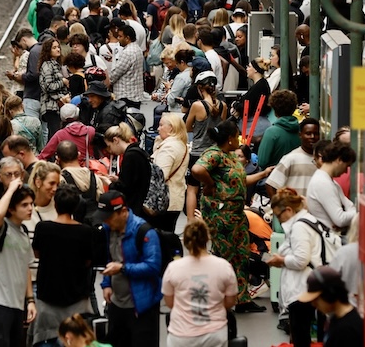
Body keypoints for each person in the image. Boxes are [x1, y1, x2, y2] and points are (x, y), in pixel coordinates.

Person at [190, 120, 272, 314]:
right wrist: (210, 184)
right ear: (229, 139)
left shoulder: (230, 157)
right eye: (236, 136)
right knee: (223, 256)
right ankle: (217, 299)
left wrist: (263, 174)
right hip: (221, 216)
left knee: (241, 256)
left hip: (236, 216)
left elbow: (242, 180)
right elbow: (197, 170)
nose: (239, 139)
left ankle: (242, 299)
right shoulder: (214, 154)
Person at [32, 185, 105, 347]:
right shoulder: (86, 232)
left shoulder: (43, 228)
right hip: (76, 297)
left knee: (47, 340)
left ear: (55, 204)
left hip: (47, 296)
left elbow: (37, 253)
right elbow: (88, 261)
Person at [97, 190, 163, 347]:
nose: (106, 222)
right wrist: (106, 284)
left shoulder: (145, 232)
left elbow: (153, 266)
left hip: (141, 307)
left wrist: (122, 268)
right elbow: (110, 258)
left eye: (109, 218)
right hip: (117, 306)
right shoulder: (108, 230)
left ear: (123, 212)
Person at [161, 217, 237, 347]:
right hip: (214, 335)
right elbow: (230, 302)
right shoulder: (223, 266)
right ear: (207, 239)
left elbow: (170, 302)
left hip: (181, 336)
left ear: (185, 241)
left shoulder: (173, 268)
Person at [266, 188, 327, 347]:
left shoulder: (299, 227)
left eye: (279, 215)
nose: (279, 220)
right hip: (306, 289)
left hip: (302, 291)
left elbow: (301, 259)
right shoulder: (308, 221)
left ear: (289, 210)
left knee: (301, 337)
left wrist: (281, 260)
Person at [0, 179, 37, 347]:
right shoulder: (0, 227)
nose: (30, 209)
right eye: (24, 205)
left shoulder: (24, 232)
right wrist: (11, 189)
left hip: (17, 303)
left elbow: (25, 266)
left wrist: (30, 300)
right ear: (12, 209)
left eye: (31, 204)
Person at [183, 71, 227, 218]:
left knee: (192, 189)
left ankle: (191, 222)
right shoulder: (223, 106)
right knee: (213, 187)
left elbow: (187, 127)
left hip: (198, 153)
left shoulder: (197, 106)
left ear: (200, 88)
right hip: (215, 154)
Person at [297, 267, 363, 347]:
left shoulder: (346, 330)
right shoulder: (337, 319)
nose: (313, 304)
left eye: (316, 299)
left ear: (330, 294)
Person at [306, 140, 357, 234]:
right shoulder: (323, 183)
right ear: (339, 160)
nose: (346, 171)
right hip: (329, 240)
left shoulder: (328, 181)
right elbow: (340, 219)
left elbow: (349, 207)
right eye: (347, 166)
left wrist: (350, 213)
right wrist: (359, 213)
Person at [265, 118, 322, 201]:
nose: (312, 137)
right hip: (296, 211)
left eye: (315, 134)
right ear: (300, 135)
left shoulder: (323, 159)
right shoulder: (290, 158)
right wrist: (280, 210)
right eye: (308, 134)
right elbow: (271, 184)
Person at [150, 113, 189, 233]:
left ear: (171, 128)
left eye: (161, 125)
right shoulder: (179, 144)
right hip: (174, 199)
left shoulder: (169, 147)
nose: (158, 128)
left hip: (163, 200)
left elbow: (160, 175)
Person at [104, 122, 150, 221]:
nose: (110, 150)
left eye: (109, 146)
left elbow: (125, 187)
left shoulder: (130, 156)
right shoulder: (137, 151)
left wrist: (109, 183)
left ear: (115, 140)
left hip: (135, 206)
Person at [257, 90, 302, 169]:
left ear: (274, 108)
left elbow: (262, 161)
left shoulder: (271, 132)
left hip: (273, 176)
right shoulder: (301, 130)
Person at [107, 19, 146, 109]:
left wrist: (108, 83)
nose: (118, 39)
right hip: (136, 94)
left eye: (120, 36)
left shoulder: (127, 52)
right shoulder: (138, 49)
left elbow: (116, 73)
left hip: (125, 95)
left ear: (127, 38)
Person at [40, 38, 71, 143]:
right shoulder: (47, 65)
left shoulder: (56, 65)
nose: (58, 49)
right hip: (51, 106)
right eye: (54, 48)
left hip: (57, 105)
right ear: (48, 50)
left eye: (58, 47)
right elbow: (48, 86)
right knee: (54, 133)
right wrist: (63, 82)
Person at [8, 28, 44, 119]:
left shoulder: (33, 52)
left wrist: (21, 76)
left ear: (24, 40)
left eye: (20, 44)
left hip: (32, 95)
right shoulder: (42, 48)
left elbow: (33, 74)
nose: (22, 48)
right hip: (41, 95)